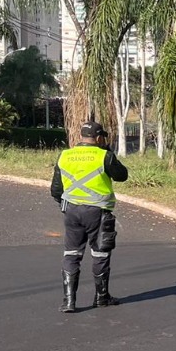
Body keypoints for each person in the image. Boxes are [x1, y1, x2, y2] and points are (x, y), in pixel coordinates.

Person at [50, 121, 129, 313]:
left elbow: (56, 189)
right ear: (100, 137)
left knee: (71, 254)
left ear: (81, 136)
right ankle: (101, 297)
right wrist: (108, 152)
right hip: (98, 212)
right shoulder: (104, 155)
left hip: (71, 211)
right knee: (100, 253)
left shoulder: (65, 155)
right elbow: (122, 175)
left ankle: (69, 301)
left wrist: (65, 205)